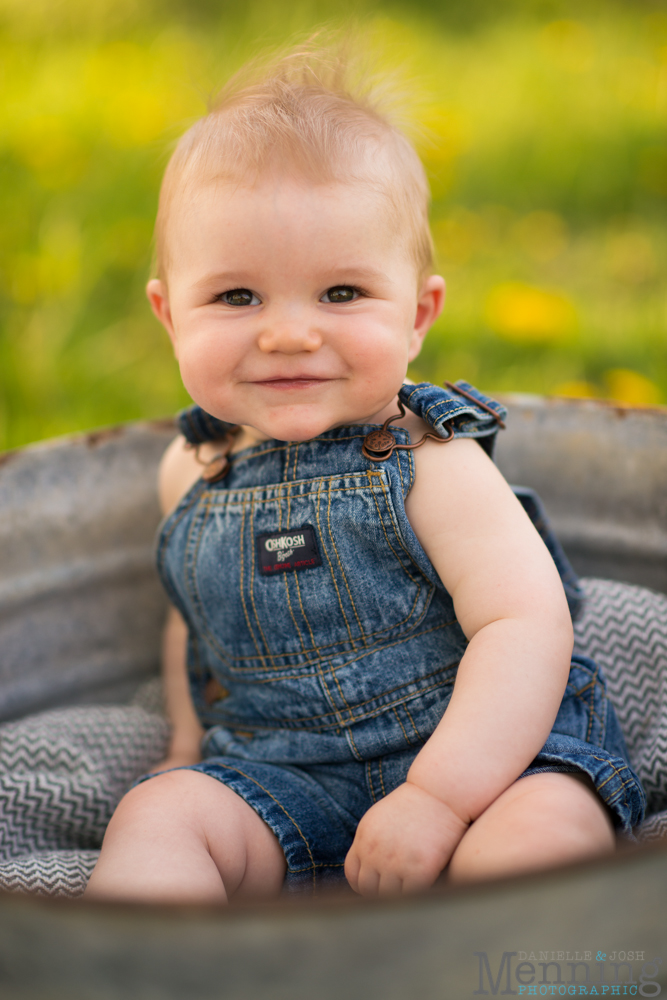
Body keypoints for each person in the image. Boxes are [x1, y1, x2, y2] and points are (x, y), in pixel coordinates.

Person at [84, 45, 644, 904]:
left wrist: (437, 798)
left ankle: (483, 959)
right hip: (283, 773)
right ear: (169, 314)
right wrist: (187, 748)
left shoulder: (431, 461)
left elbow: (522, 627)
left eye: (340, 293)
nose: (289, 334)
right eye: (237, 297)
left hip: (487, 759)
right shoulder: (192, 468)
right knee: (157, 819)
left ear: (417, 314)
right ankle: (155, 971)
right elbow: (191, 622)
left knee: (537, 839)